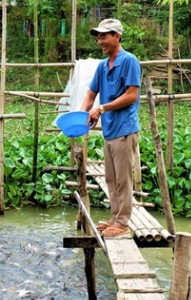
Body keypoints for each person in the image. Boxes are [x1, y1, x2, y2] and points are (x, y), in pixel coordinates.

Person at [80, 19, 141, 237]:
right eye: (98, 37)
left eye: (104, 36)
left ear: (117, 36)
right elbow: (90, 94)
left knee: (123, 179)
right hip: (110, 130)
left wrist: (102, 109)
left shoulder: (129, 61)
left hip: (124, 130)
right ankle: (115, 218)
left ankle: (123, 224)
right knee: (111, 179)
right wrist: (81, 116)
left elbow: (131, 95)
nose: (100, 41)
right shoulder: (102, 66)